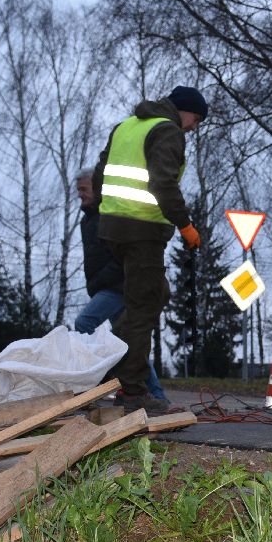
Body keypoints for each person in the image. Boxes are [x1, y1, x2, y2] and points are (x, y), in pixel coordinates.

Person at [93, 85, 207, 413]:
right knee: (143, 308)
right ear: (182, 110)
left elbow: (101, 175)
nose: (194, 126)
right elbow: (163, 183)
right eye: (195, 118)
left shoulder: (126, 126)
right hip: (142, 232)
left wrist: (108, 211)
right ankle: (132, 393)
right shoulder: (168, 131)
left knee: (152, 296)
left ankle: (107, 355)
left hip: (112, 230)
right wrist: (185, 225)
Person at [72, 170, 166, 402]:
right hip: (104, 286)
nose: (80, 195)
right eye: (78, 190)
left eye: (84, 189)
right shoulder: (88, 220)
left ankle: (101, 373)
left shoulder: (109, 216)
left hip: (117, 286)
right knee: (128, 344)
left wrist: (101, 280)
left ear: (97, 188)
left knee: (84, 322)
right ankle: (157, 394)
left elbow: (121, 256)